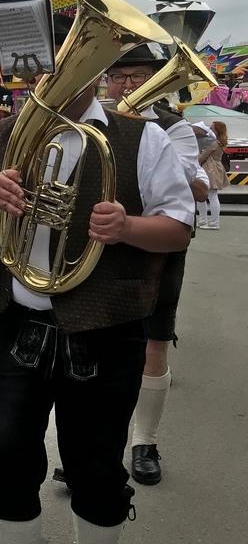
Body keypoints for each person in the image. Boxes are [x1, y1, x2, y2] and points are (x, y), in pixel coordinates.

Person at [0, 40, 194, 544]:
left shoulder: (141, 136)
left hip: (107, 329)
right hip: (18, 323)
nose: (57, 78)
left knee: (96, 469)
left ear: (99, 73)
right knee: (3, 458)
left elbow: (179, 227)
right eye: (50, 67)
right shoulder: (5, 133)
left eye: (77, 66)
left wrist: (128, 227)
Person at [101, 46, 207, 487]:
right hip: (100, 242)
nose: (127, 84)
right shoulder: (92, 121)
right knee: (94, 348)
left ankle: (144, 441)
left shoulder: (174, 127)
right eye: (119, 76)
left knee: (153, 344)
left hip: (156, 249)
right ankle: (94, 445)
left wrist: (149, 138)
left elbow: (195, 187)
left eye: (139, 75)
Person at [197, 121, 229, 229]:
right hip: (216, 168)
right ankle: (212, 222)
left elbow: (203, 156)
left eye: (212, 128)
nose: (209, 129)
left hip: (209, 169)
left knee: (204, 196)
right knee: (212, 196)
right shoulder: (221, 142)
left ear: (217, 130)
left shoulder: (213, 142)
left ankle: (206, 221)